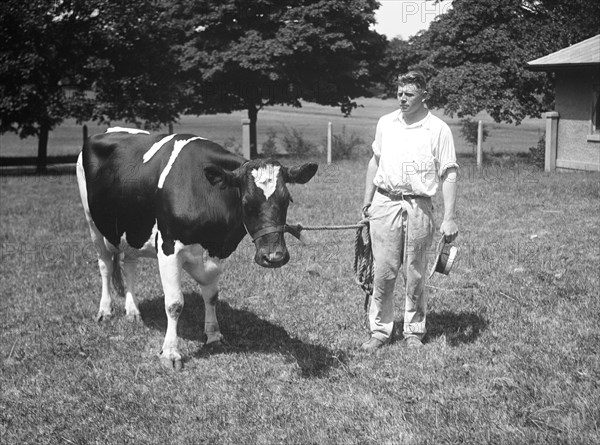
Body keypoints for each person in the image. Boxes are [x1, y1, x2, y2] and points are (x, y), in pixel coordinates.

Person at [361, 71, 458, 351]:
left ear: (424, 96)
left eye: (409, 94)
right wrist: (367, 202)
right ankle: (380, 330)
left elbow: (449, 173)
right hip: (384, 203)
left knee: (415, 272)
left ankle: (414, 330)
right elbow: (374, 161)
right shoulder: (386, 123)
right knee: (383, 271)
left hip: (419, 206)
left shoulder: (438, 129)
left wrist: (449, 218)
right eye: (400, 92)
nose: (402, 98)